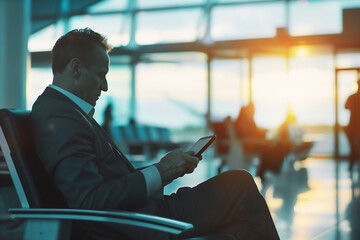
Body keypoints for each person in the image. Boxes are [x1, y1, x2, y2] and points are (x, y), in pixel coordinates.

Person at [31, 28, 279, 240]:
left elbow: (100, 186)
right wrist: (160, 172)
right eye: (101, 75)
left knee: (240, 215)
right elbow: (89, 202)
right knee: (240, 185)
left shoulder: (66, 112)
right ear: (76, 68)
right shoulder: (60, 116)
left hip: (138, 213)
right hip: (139, 223)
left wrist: (165, 170)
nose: (105, 87)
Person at [234, 103, 290, 182]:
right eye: (252, 110)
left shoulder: (248, 120)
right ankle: (269, 170)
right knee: (270, 148)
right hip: (249, 145)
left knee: (273, 146)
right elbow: (249, 135)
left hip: (253, 143)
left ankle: (266, 171)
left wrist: (263, 132)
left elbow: (254, 132)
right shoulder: (243, 122)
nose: (253, 112)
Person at [345, 79, 360, 171]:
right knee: (355, 148)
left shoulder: (352, 97)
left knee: (354, 148)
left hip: (352, 127)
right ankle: (353, 165)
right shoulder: (352, 97)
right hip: (354, 127)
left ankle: (351, 166)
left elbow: (346, 107)